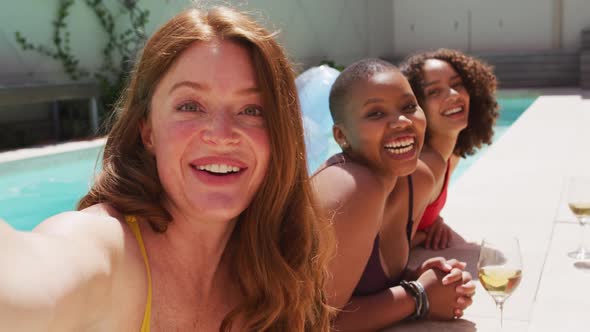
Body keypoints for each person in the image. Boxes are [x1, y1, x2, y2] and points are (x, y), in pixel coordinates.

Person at [0, 7, 333, 331]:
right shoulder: (107, 250)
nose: (221, 135)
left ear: (280, 134)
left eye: (251, 109)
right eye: (190, 106)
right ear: (148, 131)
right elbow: (31, 282)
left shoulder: (280, 264)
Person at [312, 58, 475, 331]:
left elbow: (354, 280)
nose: (401, 121)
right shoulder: (350, 186)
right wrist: (419, 296)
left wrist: (426, 278)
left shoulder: (418, 180)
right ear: (341, 136)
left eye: (409, 106)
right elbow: (316, 323)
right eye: (376, 113)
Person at [400, 49, 499, 250]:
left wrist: (434, 220)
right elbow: (384, 246)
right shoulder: (421, 167)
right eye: (434, 91)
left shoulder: (451, 157)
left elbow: (417, 214)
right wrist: (422, 235)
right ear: (417, 106)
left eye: (456, 84)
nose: (453, 95)